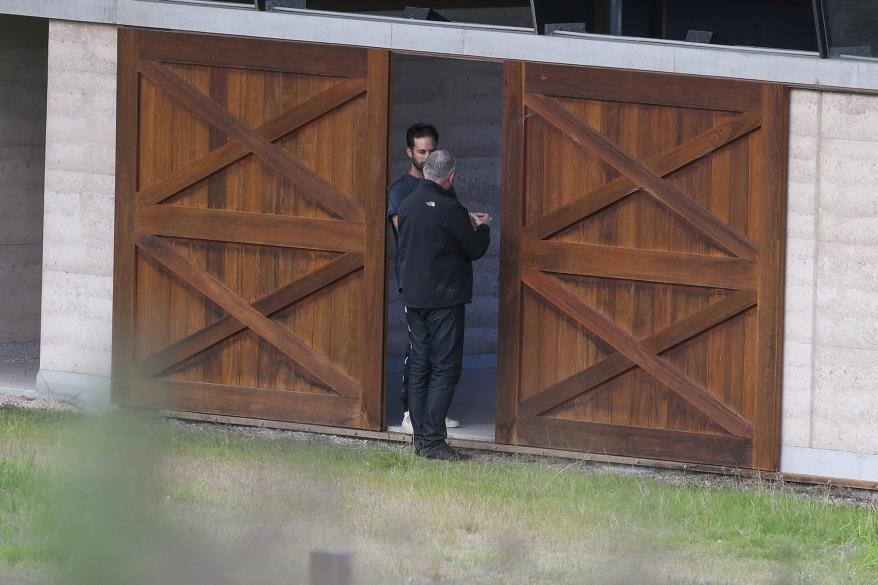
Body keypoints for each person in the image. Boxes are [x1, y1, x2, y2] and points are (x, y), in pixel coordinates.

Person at [397, 150, 492, 460]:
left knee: (420, 363)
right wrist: (483, 226)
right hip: (445, 299)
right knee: (445, 366)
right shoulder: (452, 209)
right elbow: (474, 248)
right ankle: (434, 441)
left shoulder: (407, 205)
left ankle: (421, 439)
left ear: (425, 171)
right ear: (451, 177)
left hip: (414, 298)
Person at [387, 123, 459, 434]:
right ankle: (408, 414)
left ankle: (434, 415)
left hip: (442, 285)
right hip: (414, 283)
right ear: (410, 153)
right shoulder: (400, 190)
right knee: (418, 350)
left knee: (441, 353)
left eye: (432, 150)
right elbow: (410, 235)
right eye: (421, 151)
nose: (427, 157)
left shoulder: (446, 185)